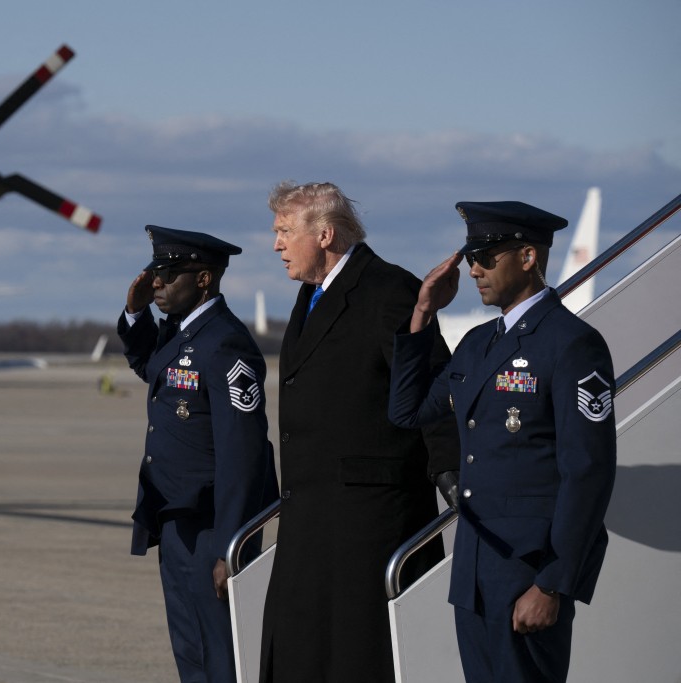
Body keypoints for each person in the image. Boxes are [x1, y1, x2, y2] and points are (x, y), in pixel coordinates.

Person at [388, 200, 617, 682]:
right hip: (474, 568)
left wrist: (554, 583)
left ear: (528, 257)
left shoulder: (572, 343)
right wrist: (423, 313)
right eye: (470, 256)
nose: (473, 269)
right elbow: (407, 412)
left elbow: (588, 472)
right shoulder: (476, 343)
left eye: (487, 256)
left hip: (528, 571)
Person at [259, 181, 460, 683]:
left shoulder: (388, 290)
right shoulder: (312, 296)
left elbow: (432, 387)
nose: (276, 244)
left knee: (357, 660)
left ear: (324, 234)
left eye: (285, 232)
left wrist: (452, 474)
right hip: (314, 517)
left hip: (368, 524)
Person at [119, 225, 279, 683]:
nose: (158, 285)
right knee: (190, 647)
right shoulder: (180, 335)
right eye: (155, 274)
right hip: (176, 518)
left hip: (213, 524)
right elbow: (150, 367)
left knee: (222, 651)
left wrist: (232, 545)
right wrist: (135, 315)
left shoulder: (224, 342)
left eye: (169, 275)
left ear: (204, 279)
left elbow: (243, 451)